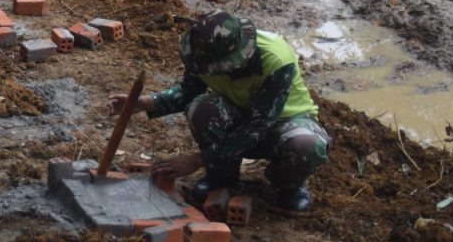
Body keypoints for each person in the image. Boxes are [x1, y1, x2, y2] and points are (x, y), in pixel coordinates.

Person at [109, 11, 330, 212]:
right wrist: (143, 103)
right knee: (201, 108)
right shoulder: (201, 55)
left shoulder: (277, 59)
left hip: (284, 123)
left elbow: (259, 125)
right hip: (238, 117)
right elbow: (188, 93)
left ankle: (289, 185)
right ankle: (222, 175)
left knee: (307, 146)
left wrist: (197, 160)